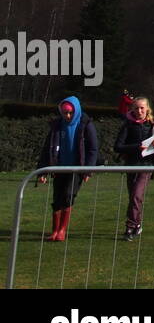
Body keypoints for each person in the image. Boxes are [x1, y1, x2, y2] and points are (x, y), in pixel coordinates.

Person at [37, 96, 99, 243]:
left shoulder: (85, 124)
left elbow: (93, 149)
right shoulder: (57, 125)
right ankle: (55, 231)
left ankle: (62, 230)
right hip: (59, 168)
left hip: (77, 169)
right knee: (57, 199)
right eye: (65, 113)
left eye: (70, 112)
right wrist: (43, 171)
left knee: (68, 195)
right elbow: (47, 149)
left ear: (76, 110)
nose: (68, 116)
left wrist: (87, 170)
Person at [114, 96, 154, 240]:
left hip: (147, 165)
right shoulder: (127, 125)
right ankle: (137, 224)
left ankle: (129, 227)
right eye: (136, 108)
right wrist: (136, 147)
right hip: (131, 165)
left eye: (142, 108)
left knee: (136, 195)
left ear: (147, 109)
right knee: (134, 197)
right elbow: (118, 146)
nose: (139, 111)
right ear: (132, 109)